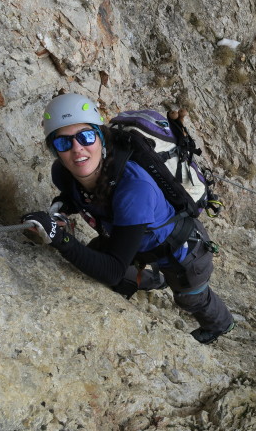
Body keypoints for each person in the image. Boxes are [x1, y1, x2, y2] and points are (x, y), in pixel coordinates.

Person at [22, 93, 234, 344]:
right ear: (54, 150)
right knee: (94, 261)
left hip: (181, 250)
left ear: (100, 137)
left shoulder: (134, 188)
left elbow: (112, 270)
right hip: (132, 237)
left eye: (85, 136)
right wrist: (61, 208)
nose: (77, 148)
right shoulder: (63, 173)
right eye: (63, 143)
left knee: (191, 297)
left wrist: (60, 238)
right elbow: (77, 194)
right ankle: (156, 278)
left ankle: (221, 324)